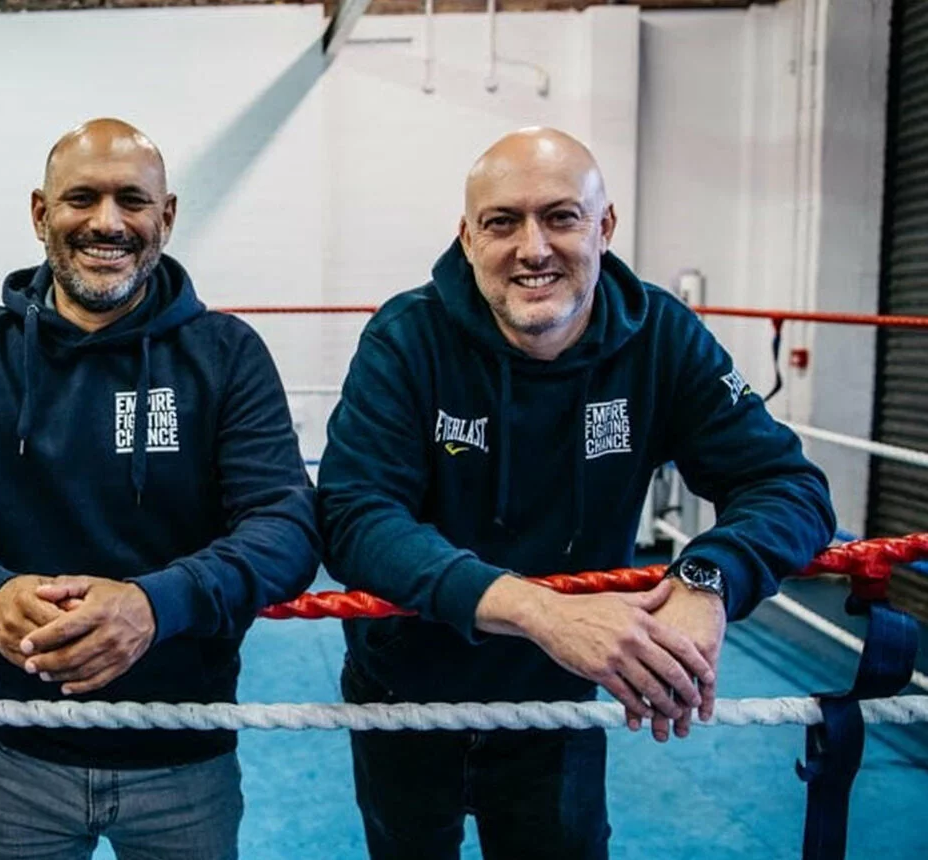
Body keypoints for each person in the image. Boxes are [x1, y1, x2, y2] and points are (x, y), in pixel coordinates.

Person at [317, 127, 836, 860]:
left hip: (559, 699)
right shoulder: (408, 337)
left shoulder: (660, 336)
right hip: (406, 686)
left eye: (560, 216)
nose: (532, 249)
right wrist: (540, 613)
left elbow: (787, 485)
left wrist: (707, 578)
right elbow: (353, 517)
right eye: (502, 222)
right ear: (466, 238)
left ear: (604, 226)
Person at [0, 118, 320, 860]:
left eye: (131, 201)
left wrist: (153, 606)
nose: (106, 223)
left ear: (164, 217)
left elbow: (286, 525)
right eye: (81, 198)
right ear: (40, 213)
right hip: (19, 757)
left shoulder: (225, 355)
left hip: (184, 756)